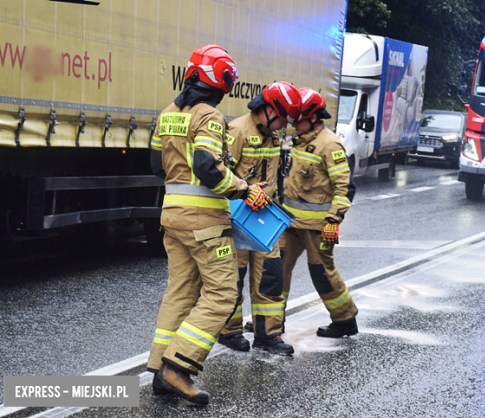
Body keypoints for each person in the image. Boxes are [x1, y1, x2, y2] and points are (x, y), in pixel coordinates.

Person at [147, 45, 272, 405]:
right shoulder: (210, 117)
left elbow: (155, 164)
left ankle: (159, 371)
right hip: (205, 222)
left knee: (180, 292)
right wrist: (244, 189)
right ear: (221, 81)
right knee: (222, 295)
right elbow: (205, 166)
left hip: (171, 217)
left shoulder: (168, 113)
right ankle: (178, 367)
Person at [218, 82, 301, 355]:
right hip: (239, 216)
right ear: (268, 109)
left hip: (265, 217)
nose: (283, 125)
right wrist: (241, 197)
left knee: (271, 276)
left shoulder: (273, 135)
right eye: (281, 118)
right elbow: (221, 176)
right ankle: (229, 331)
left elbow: (274, 177)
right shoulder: (237, 131)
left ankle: (268, 335)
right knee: (235, 276)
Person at [280, 87, 359, 338]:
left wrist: (333, 220)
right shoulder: (299, 142)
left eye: (298, 120)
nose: (294, 125)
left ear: (313, 118)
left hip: (318, 228)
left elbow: (344, 188)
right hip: (290, 224)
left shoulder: (329, 144)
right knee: (275, 269)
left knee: (322, 273)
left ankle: (345, 319)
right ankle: (270, 322)